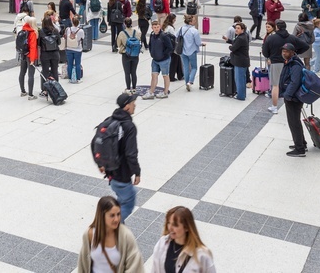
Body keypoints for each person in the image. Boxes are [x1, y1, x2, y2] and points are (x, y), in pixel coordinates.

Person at [97, 93, 141, 221]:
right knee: (128, 202)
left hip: (111, 174)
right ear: (127, 106)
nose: (135, 105)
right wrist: (137, 172)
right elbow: (131, 153)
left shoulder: (110, 121)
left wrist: (101, 164)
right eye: (133, 103)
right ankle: (110, 227)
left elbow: (97, 142)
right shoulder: (129, 127)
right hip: (122, 176)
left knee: (121, 200)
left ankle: (118, 233)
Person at [77, 195, 145, 273]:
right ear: (102, 216)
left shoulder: (125, 236)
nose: (116, 219)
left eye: (118, 214)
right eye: (112, 215)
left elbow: (135, 265)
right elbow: (83, 263)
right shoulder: (89, 234)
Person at [262, 20, 310, 115]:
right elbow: (305, 46)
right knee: (291, 82)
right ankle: (292, 103)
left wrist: (270, 56)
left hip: (276, 63)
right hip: (289, 63)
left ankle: (274, 107)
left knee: (275, 85)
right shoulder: (292, 38)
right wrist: (295, 52)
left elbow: (265, 52)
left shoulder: (271, 38)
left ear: (277, 27)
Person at [148, 206, 216, 273]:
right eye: (169, 223)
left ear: (186, 228)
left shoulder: (202, 255)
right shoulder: (162, 243)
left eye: (175, 225)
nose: (170, 228)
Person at [279, 43, 308, 157]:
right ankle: (302, 143)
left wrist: (287, 95)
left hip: (293, 98)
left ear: (292, 52)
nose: (284, 53)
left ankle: (299, 148)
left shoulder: (295, 65)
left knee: (294, 122)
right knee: (296, 121)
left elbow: (294, 82)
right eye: (283, 51)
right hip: (292, 96)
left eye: (286, 51)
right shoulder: (290, 62)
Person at [143, 18, 174, 99]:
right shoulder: (152, 35)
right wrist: (152, 53)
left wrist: (163, 54)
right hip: (155, 60)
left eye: (157, 27)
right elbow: (150, 45)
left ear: (160, 27)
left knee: (165, 76)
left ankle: (165, 92)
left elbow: (170, 47)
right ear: (152, 28)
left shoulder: (164, 36)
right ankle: (151, 92)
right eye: (154, 27)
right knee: (154, 76)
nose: (156, 29)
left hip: (164, 60)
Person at [177, 15, 203, 91]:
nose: (195, 21)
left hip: (183, 51)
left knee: (185, 67)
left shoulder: (181, 28)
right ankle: (190, 82)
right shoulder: (194, 31)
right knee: (194, 67)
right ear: (190, 22)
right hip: (192, 51)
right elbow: (198, 42)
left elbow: (176, 36)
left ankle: (186, 82)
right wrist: (201, 44)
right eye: (194, 20)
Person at [38, 14, 62, 94]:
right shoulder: (55, 30)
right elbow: (59, 42)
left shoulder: (41, 31)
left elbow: (39, 43)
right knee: (55, 71)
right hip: (55, 53)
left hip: (45, 54)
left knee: (45, 71)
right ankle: (56, 89)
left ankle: (45, 90)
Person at [18, 15, 39, 99]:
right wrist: (32, 59)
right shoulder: (33, 33)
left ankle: (23, 91)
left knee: (22, 72)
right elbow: (33, 47)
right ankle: (30, 95)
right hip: (30, 56)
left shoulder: (23, 29)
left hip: (23, 53)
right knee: (31, 75)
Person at [228, 22, 250, 101]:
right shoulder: (244, 36)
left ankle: (240, 96)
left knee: (239, 79)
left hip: (240, 61)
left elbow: (233, 48)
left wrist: (230, 47)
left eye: (238, 28)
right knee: (242, 79)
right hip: (243, 61)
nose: (236, 30)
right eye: (236, 28)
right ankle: (242, 94)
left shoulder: (240, 38)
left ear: (242, 30)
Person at [64, 13, 86, 83]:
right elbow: (83, 38)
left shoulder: (68, 29)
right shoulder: (81, 31)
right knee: (77, 64)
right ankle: (78, 78)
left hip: (69, 48)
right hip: (78, 49)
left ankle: (70, 77)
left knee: (69, 64)